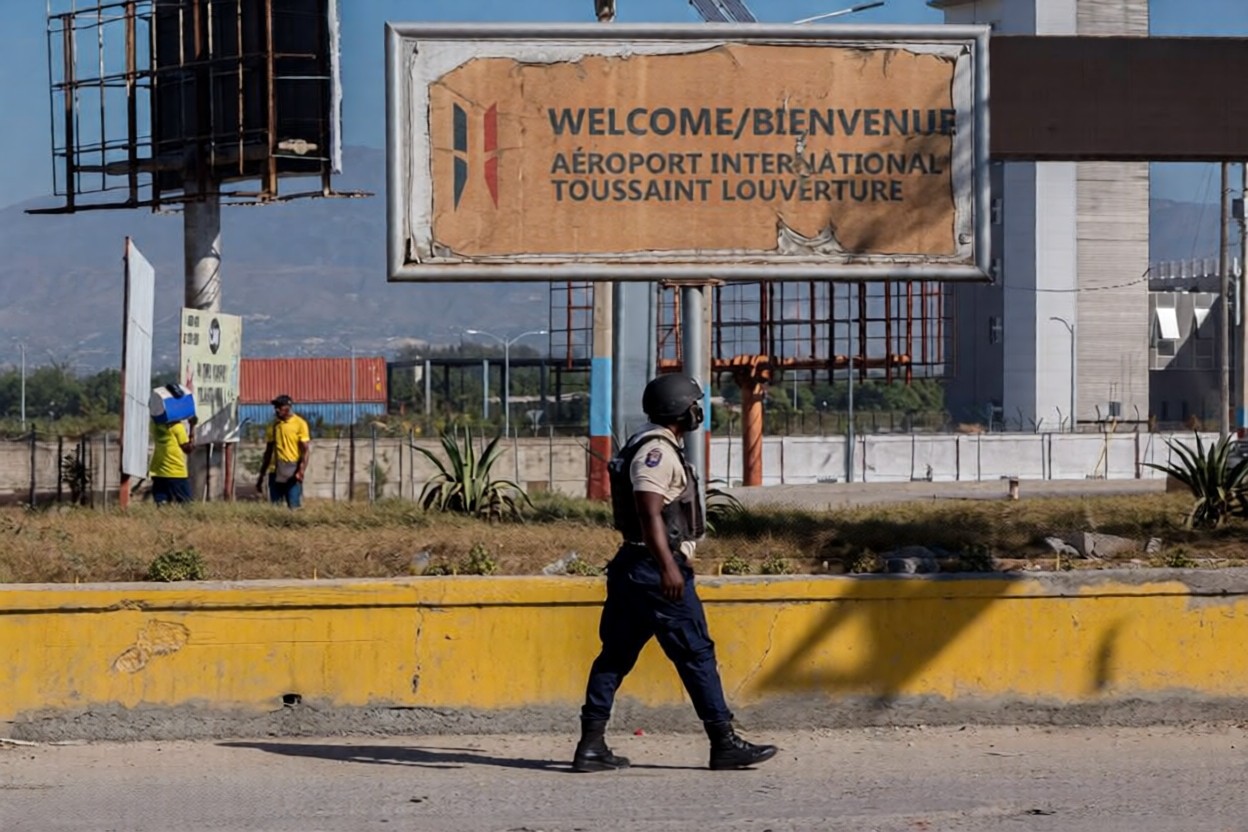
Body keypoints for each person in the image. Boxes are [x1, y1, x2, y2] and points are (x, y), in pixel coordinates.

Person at [573, 373, 777, 773]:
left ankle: (591, 746)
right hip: (654, 570)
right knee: (696, 653)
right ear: (679, 410)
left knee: (615, 656)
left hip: (634, 567)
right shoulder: (657, 452)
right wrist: (669, 568)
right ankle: (724, 742)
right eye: (694, 404)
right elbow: (649, 512)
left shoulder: (650, 443)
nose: (698, 411)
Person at [256, 394, 310, 509]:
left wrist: (301, 470)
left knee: (294, 507)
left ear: (287, 408)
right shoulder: (274, 426)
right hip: (275, 472)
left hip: (292, 472)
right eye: (275, 407)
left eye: (278, 407)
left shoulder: (300, 424)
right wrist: (261, 475)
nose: (276, 410)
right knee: (276, 508)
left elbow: (305, 450)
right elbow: (268, 452)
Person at [148, 414, 196, 505]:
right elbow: (187, 449)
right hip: (175, 470)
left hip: (158, 470)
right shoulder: (177, 427)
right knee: (186, 503)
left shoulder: (154, 425)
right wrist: (192, 426)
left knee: (161, 502)